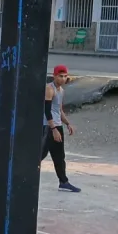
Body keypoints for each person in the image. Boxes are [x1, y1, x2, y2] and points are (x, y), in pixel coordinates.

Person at [42, 64, 80, 193]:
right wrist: (53, 129)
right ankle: (24, 175)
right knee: (41, 154)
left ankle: (63, 182)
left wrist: (68, 124)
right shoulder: (49, 88)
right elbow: (47, 110)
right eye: (60, 76)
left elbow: (59, 110)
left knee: (59, 156)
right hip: (48, 127)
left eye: (65, 76)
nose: (63, 79)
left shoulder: (61, 91)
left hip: (57, 126)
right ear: (54, 76)